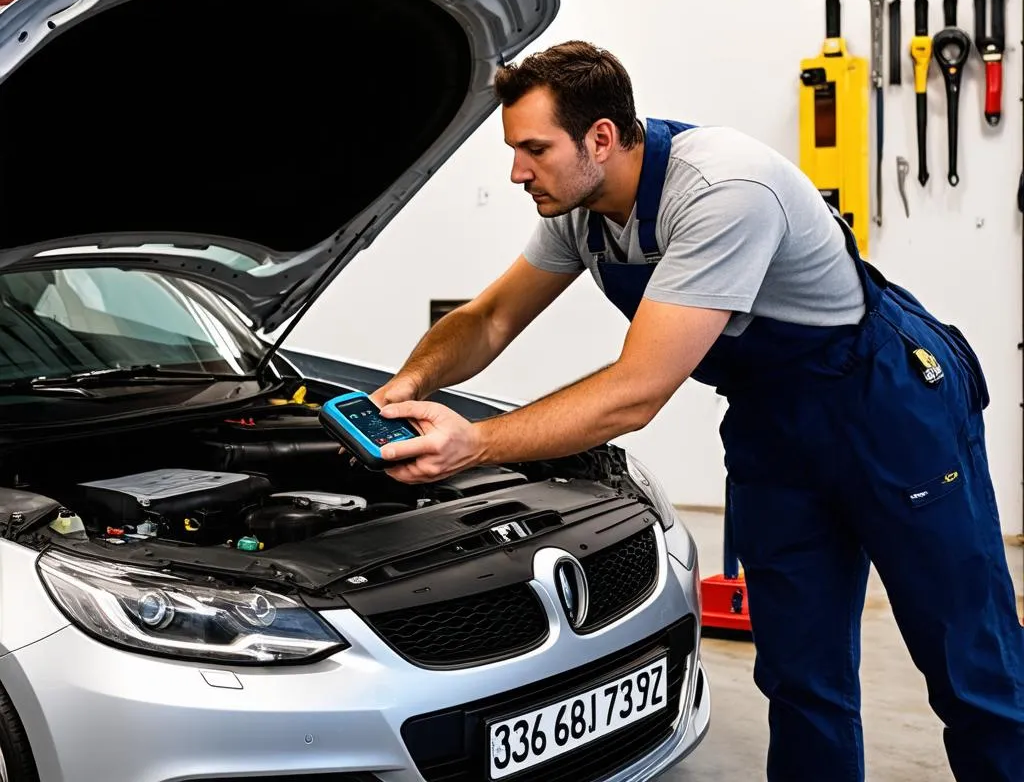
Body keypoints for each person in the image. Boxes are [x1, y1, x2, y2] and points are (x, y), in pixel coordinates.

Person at [367, 40, 1024, 781]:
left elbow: (637, 390)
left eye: (533, 149)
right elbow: (489, 319)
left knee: (972, 664)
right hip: (772, 420)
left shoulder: (722, 189)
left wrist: (474, 443)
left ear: (602, 138)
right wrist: (409, 385)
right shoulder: (578, 207)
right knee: (799, 673)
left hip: (886, 403)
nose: (518, 171)